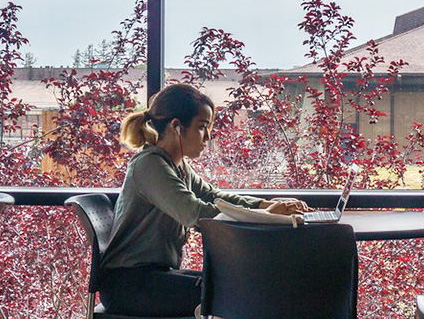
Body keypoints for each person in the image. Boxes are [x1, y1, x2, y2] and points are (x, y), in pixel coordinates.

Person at [96, 84, 309, 317]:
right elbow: (195, 213)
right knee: (239, 289)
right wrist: (266, 216)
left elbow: (213, 196)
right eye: (202, 127)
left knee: (238, 282)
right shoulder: (149, 165)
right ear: (176, 126)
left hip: (154, 276)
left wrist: (263, 205)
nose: (207, 136)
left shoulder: (177, 166)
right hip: (128, 285)